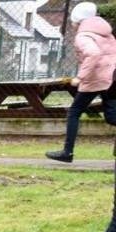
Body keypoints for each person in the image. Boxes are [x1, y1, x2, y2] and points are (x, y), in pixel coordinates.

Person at [46, 2, 116, 163]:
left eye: (72, 21)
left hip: (95, 79)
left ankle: (67, 152)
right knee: (112, 117)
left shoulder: (83, 36)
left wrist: (80, 77)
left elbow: (93, 54)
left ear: (78, 21)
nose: (71, 25)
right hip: (112, 78)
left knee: (75, 111)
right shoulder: (106, 33)